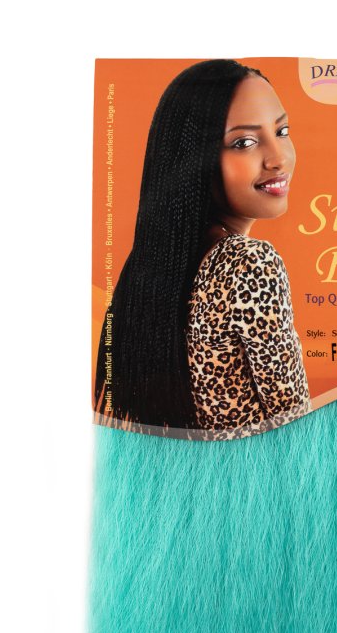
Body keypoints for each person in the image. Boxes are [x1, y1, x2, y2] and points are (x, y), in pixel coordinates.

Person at [94, 59, 309, 435]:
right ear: (193, 162)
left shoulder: (156, 267)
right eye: (244, 142)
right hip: (256, 469)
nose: (279, 158)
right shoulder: (249, 263)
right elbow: (295, 421)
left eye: (282, 130)